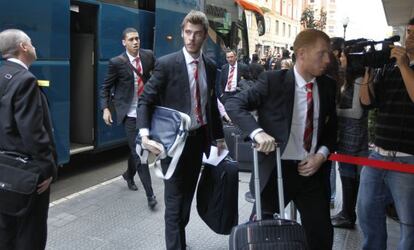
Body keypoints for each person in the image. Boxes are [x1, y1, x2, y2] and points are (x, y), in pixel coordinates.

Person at [226, 29, 337, 250]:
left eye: (329, 54)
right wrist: (258, 133)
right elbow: (234, 104)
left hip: (312, 172)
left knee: (321, 235)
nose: (328, 60)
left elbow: (332, 128)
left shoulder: (327, 85)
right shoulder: (273, 81)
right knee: (262, 234)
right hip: (276, 169)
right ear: (302, 53)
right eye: (322, 53)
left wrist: (321, 156)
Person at [137, 10, 226, 250]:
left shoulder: (210, 65)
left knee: (186, 202)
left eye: (197, 34)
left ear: (205, 36)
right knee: (175, 204)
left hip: (198, 144)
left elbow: (210, 104)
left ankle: (180, 240)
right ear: (182, 33)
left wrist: (219, 137)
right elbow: (145, 100)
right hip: (173, 146)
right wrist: (145, 135)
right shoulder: (166, 65)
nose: (191, 38)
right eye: (188, 33)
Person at [357, 17, 414, 250]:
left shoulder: (400, 66)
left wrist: (404, 65)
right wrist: (367, 74)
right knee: (367, 210)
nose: (410, 37)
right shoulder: (390, 68)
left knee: (409, 223)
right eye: (409, 32)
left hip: (408, 158)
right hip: (378, 153)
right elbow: (368, 102)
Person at [0, 29, 57, 250]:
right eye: (31, 43)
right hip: (25, 176)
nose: (34, 46)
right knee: (29, 235)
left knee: (5, 235)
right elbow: (33, 132)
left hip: (3, 170)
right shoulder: (25, 80)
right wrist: (47, 169)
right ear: (23, 47)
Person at [100, 27, 157, 208]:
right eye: (131, 39)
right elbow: (105, 88)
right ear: (124, 42)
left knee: (137, 149)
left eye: (137, 39)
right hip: (130, 114)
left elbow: (158, 75)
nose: (135, 42)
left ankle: (128, 175)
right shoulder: (116, 62)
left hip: (147, 111)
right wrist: (106, 109)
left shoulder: (148, 56)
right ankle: (151, 196)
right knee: (140, 153)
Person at [330, 50, 368, 229]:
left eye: (344, 56)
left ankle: (348, 214)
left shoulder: (360, 80)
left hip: (353, 136)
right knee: (346, 175)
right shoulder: (347, 79)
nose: (340, 59)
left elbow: (357, 112)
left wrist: (334, 111)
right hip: (344, 135)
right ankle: (346, 212)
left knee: (349, 176)